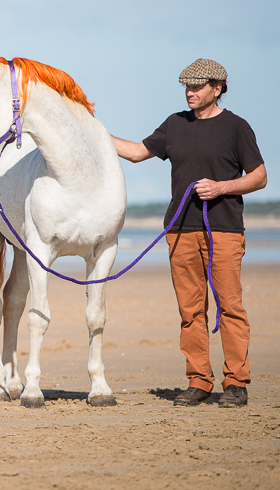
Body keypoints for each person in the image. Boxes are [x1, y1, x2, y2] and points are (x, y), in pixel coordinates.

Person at [112, 58, 267, 408]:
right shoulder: (174, 124)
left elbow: (259, 176)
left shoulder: (236, 128)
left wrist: (222, 187)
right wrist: (94, 132)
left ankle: (236, 384)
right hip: (179, 230)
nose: (190, 92)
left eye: (198, 86)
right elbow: (137, 153)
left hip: (224, 229)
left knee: (230, 308)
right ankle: (198, 382)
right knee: (190, 310)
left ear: (218, 89)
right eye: (187, 86)